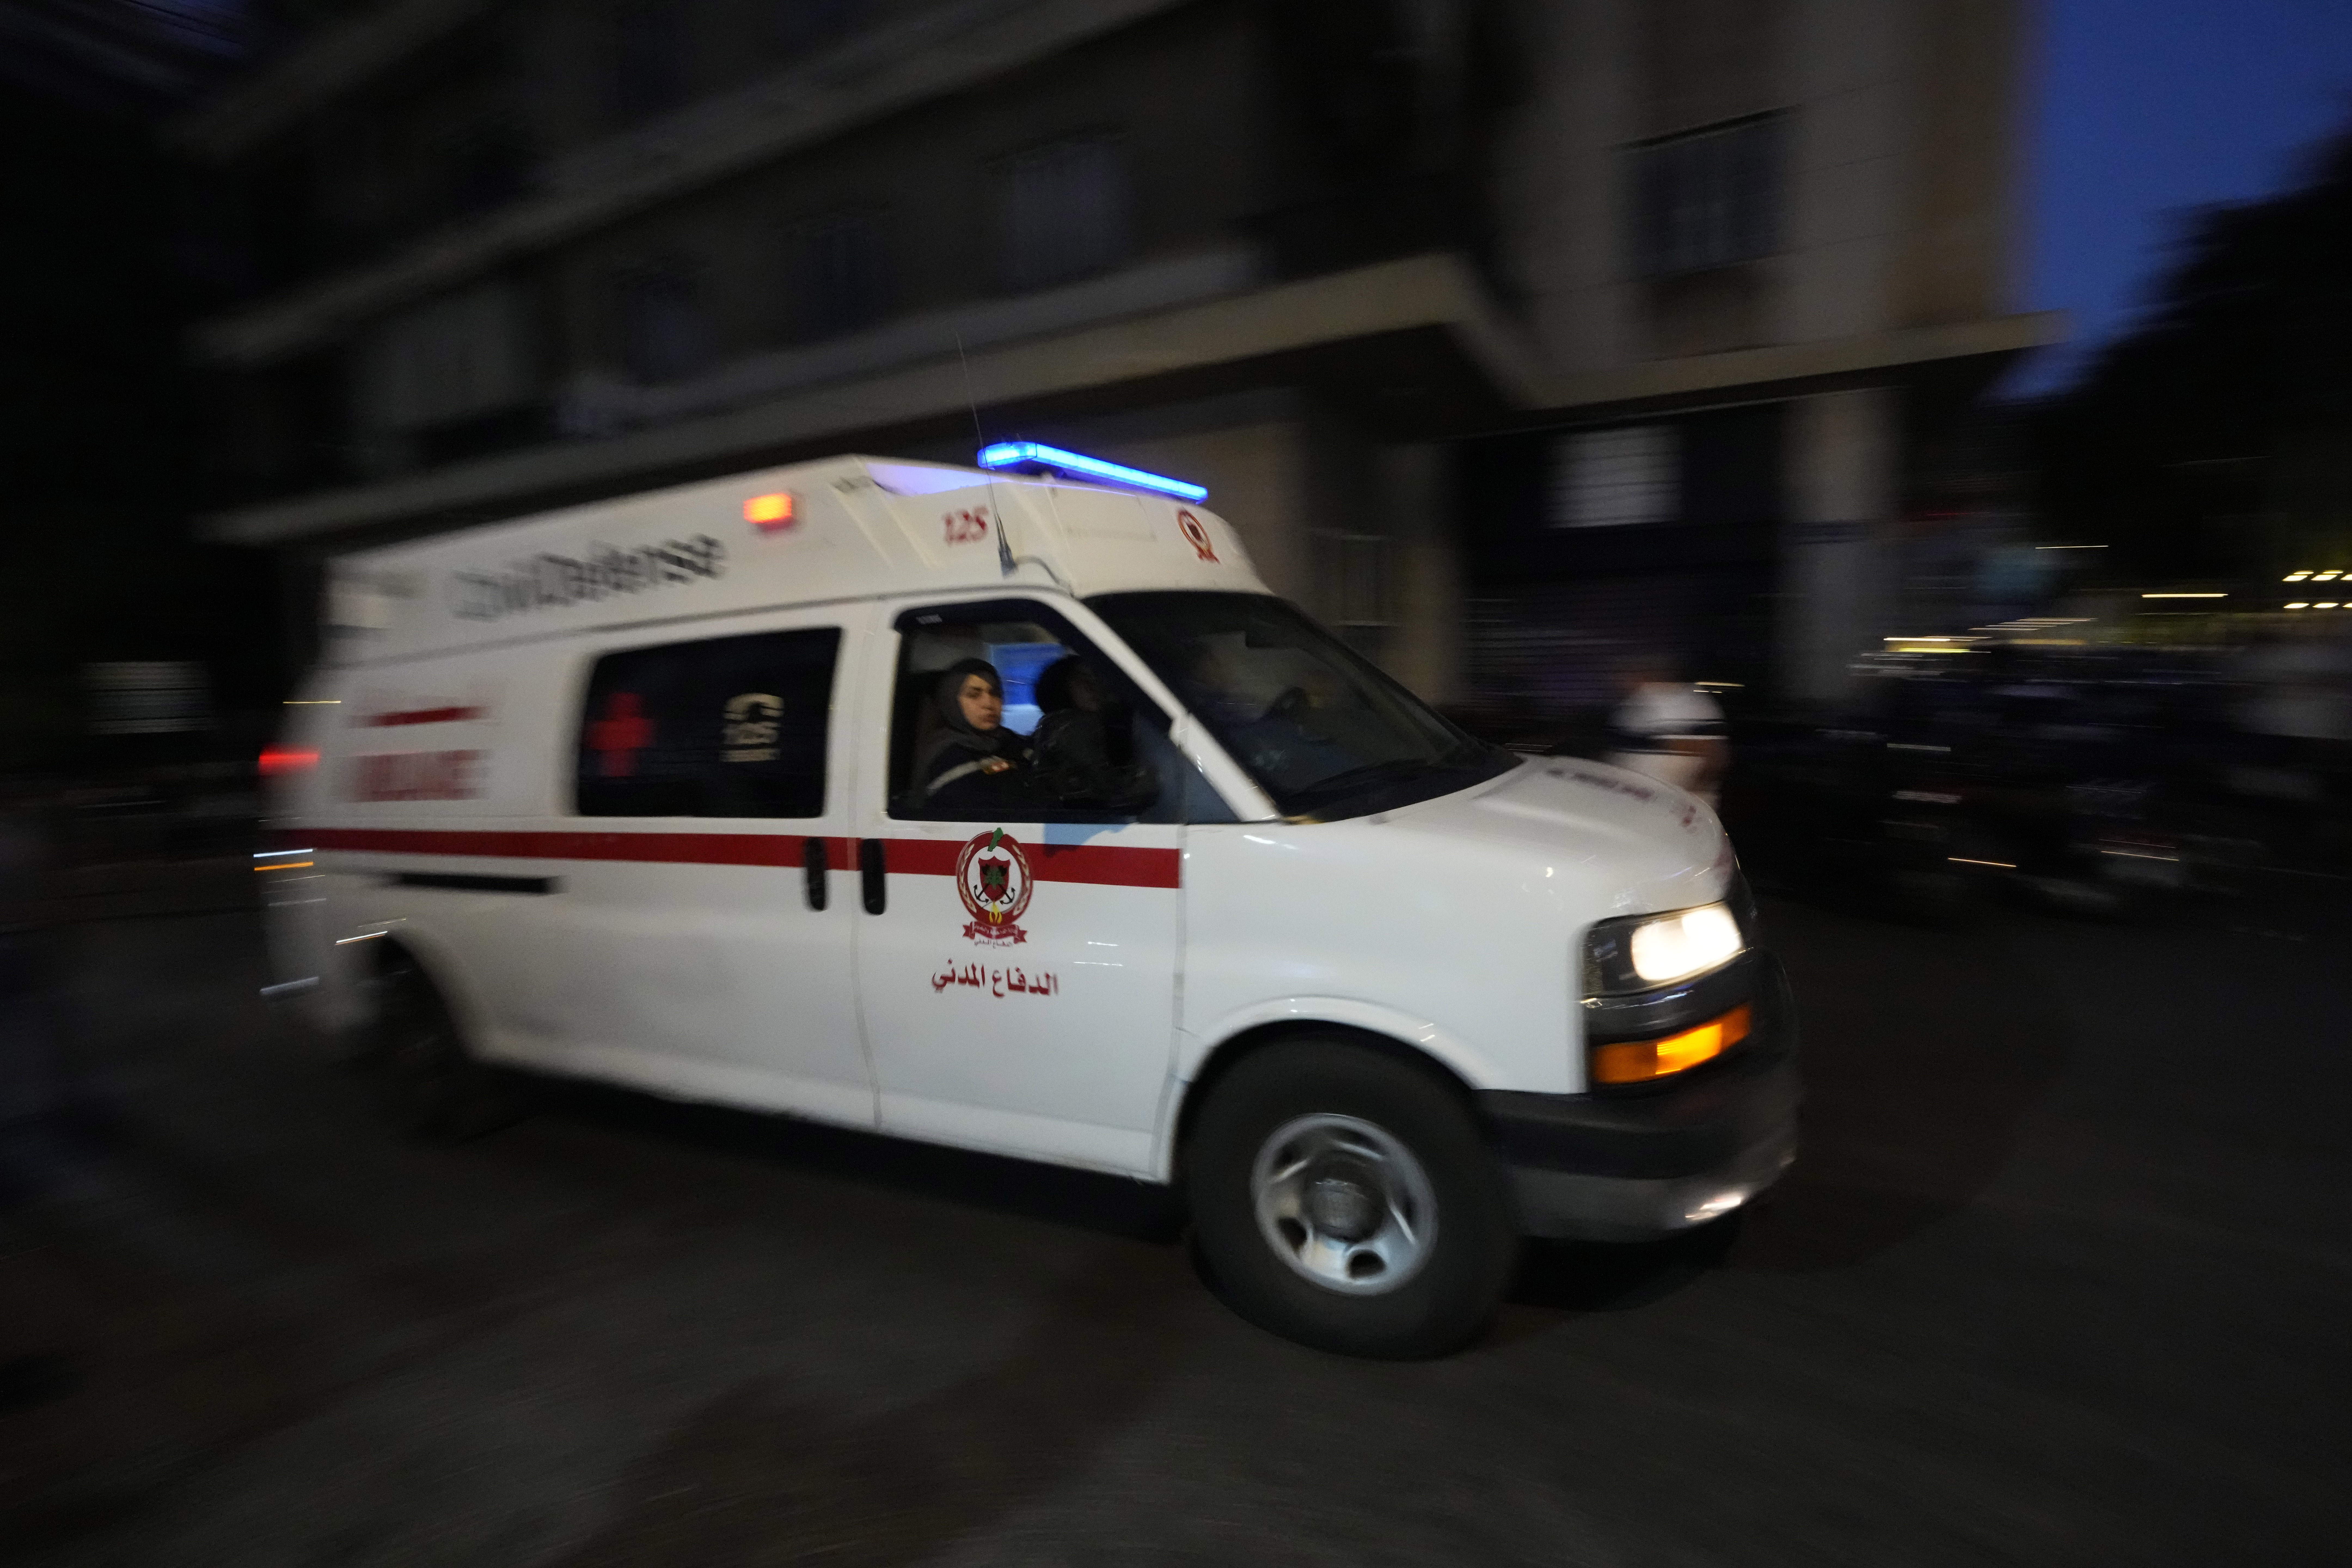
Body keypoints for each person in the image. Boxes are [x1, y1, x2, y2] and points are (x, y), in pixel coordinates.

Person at [909, 658, 1033, 816]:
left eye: (995, 693)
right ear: (952, 702)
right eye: (974, 695)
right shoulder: (948, 758)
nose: (989, 703)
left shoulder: (1007, 739)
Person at [1030, 656, 1155, 809]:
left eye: (1096, 677)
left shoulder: (1099, 725)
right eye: (1082, 680)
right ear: (1060, 688)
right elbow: (1115, 790)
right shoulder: (1067, 729)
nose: (1094, 685)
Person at [1604, 656, 1728, 805]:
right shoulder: (1632, 706)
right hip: (1637, 802)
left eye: (1625, 672)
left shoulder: (1690, 704)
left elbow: (1714, 758)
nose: (1616, 680)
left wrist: (1684, 800)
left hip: (1677, 807)